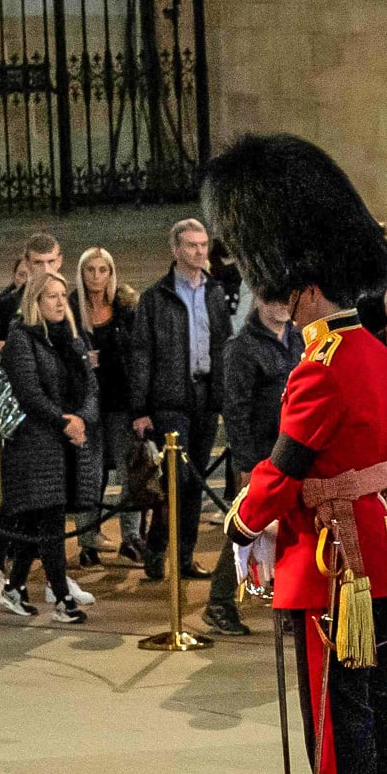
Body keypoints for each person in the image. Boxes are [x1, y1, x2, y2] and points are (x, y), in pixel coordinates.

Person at [213, 133, 387, 774]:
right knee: (372, 711)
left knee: (336, 722)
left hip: (337, 563)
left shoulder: (322, 366)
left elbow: (283, 471)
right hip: (378, 547)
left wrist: (239, 522)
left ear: (306, 288)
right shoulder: (377, 356)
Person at [0, 269, 98, 620]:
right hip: (35, 443)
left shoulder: (72, 340)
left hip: (66, 441)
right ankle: (63, 600)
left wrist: (82, 419)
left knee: (40, 522)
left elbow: (91, 387)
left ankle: (16, 586)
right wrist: (65, 422)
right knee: (48, 520)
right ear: (35, 301)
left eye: (63, 296)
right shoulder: (21, 339)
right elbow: (29, 395)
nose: (60, 303)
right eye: (52, 296)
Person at [129, 217, 233, 582]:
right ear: (175, 250)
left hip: (206, 396)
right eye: (191, 245)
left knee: (197, 481)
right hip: (170, 399)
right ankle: (158, 545)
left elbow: (224, 343)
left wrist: (227, 394)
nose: (199, 251)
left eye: (203, 244)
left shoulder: (215, 292)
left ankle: (185, 555)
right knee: (179, 480)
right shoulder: (156, 297)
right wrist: (140, 409)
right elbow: (142, 353)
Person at [205, 290, 303, 637]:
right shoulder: (242, 347)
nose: (281, 307)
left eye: (285, 300)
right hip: (261, 453)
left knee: (291, 530)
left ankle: (291, 605)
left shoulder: (297, 338)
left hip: (291, 450)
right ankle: (219, 602)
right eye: (274, 299)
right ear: (260, 300)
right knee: (247, 529)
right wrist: (246, 463)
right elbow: (235, 409)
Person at [73, 245, 141, 566]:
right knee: (91, 473)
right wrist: (82, 360)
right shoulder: (72, 307)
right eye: (91, 270)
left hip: (119, 400)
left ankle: (132, 537)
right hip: (85, 403)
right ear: (82, 273)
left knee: (130, 470)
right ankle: (88, 541)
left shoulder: (125, 307)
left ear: (112, 273)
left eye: (104, 270)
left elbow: (136, 351)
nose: (97, 277)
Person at [0, 232, 64, 352]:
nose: (46, 270)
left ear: (59, 261)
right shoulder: (8, 305)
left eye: (50, 262)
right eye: (38, 262)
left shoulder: (71, 302)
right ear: (27, 263)